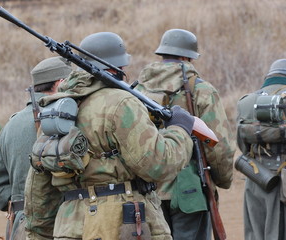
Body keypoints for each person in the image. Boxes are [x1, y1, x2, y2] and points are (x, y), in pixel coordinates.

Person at [26, 31, 196, 240]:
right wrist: (180, 130)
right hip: (123, 225)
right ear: (119, 67)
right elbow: (158, 165)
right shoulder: (122, 103)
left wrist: (38, 234)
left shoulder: (57, 109)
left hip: (69, 227)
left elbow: (39, 185)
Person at [136, 29, 235, 240]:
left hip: (146, 188)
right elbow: (219, 146)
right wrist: (220, 181)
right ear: (185, 57)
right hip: (188, 189)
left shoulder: (137, 90)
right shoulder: (200, 90)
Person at [0, 56, 72, 240]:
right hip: (62, 222)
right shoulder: (67, 119)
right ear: (61, 83)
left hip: (20, 224)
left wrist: (20, 205)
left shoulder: (11, 125)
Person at [236, 59, 286, 240]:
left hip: (257, 178)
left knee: (255, 233)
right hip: (284, 184)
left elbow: (242, 146)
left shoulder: (246, 102)